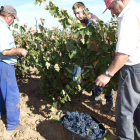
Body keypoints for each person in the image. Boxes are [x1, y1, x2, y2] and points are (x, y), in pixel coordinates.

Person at [96, 0, 140, 139]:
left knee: (124, 111)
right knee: (138, 107)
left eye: (112, 7)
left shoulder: (127, 16)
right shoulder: (138, 8)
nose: (112, 12)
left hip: (133, 69)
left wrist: (107, 74)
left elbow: (124, 54)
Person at [72, 2, 113, 113]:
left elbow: (98, 42)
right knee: (93, 75)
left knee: (104, 76)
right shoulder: (83, 23)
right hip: (92, 53)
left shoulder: (93, 21)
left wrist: (85, 43)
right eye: (75, 14)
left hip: (101, 53)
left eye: (78, 13)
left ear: (84, 10)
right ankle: (95, 96)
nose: (77, 16)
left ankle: (109, 102)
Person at [0, 5, 28, 131]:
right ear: (8, 16)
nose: (14, 21)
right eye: (13, 18)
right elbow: (5, 51)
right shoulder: (1, 28)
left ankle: (2, 112)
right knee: (12, 93)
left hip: (2, 64)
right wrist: (20, 50)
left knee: (2, 90)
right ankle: (13, 124)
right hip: (4, 64)